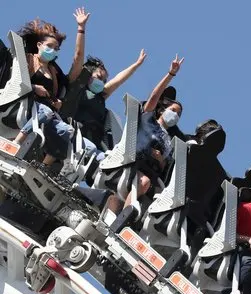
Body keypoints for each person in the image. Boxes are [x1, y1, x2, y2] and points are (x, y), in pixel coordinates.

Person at [104, 55, 184, 217]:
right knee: (144, 182)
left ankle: (128, 217)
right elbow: (155, 95)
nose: (175, 115)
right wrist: (171, 74)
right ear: (163, 109)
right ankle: (124, 217)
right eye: (173, 110)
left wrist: (160, 159)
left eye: (179, 114)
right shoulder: (149, 119)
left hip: (150, 172)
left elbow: (164, 167)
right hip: (132, 161)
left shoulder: (169, 141)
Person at [12, 9, 91, 166]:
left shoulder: (54, 71)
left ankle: (42, 167)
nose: (53, 51)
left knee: (67, 131)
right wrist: (33, 87)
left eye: (56, 49)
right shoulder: (27, 59)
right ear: (39, 45)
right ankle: (16, 143)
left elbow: (77, 60)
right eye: (50, 46)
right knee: (46, 111)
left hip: (46, 115)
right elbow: (14, 80)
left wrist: (81, 29)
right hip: (24, 105)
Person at [74, 50, 147, 161]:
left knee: (108, 161)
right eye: (99, 77)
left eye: (104, 81)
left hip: (94, 141)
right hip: (75, 135)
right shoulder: (78, 89)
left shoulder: (101, 96)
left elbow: (118, 80)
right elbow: (78, 58)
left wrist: (136, 65)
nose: (101, 83)